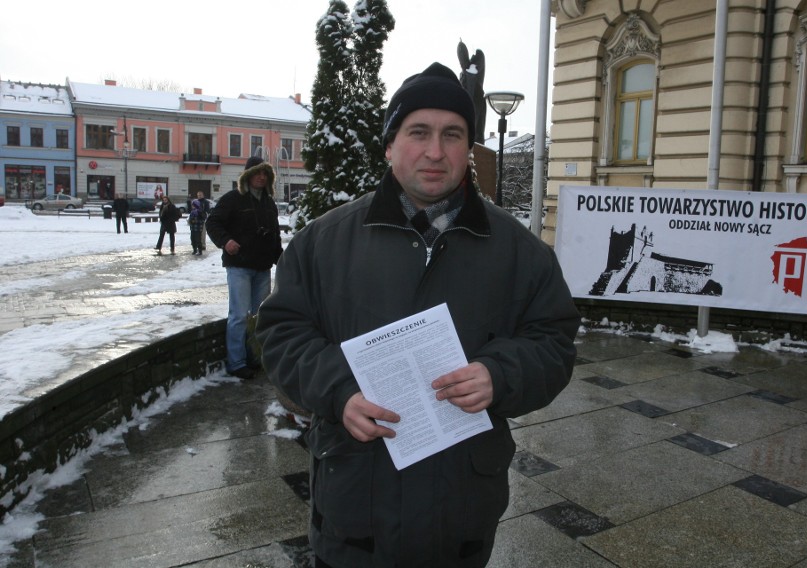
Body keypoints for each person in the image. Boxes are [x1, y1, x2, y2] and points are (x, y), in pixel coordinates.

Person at [256, 62, 580, 568]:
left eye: (453, 134)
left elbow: (554, 342)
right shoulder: (323, 242)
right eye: (418, 133)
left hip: (462, 514)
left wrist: (501, 374)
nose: (435, 151)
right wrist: (339, 391)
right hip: (354, 506)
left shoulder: (519, 250)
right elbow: (282, 334)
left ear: (468, 148)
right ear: (389, 145)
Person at [206, 157, 282, 380]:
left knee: (258, 317)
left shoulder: (269, 204)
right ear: (247, 175)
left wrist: (283, 259)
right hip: (239, 266)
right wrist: (226, 241)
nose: (261, 177)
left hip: (262, 267)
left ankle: (254, 357)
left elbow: (275, 236)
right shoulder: (233, 199)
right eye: (258, 173)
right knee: (239, 315)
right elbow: (213, 223)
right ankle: (236, 361)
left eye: (265, 173)